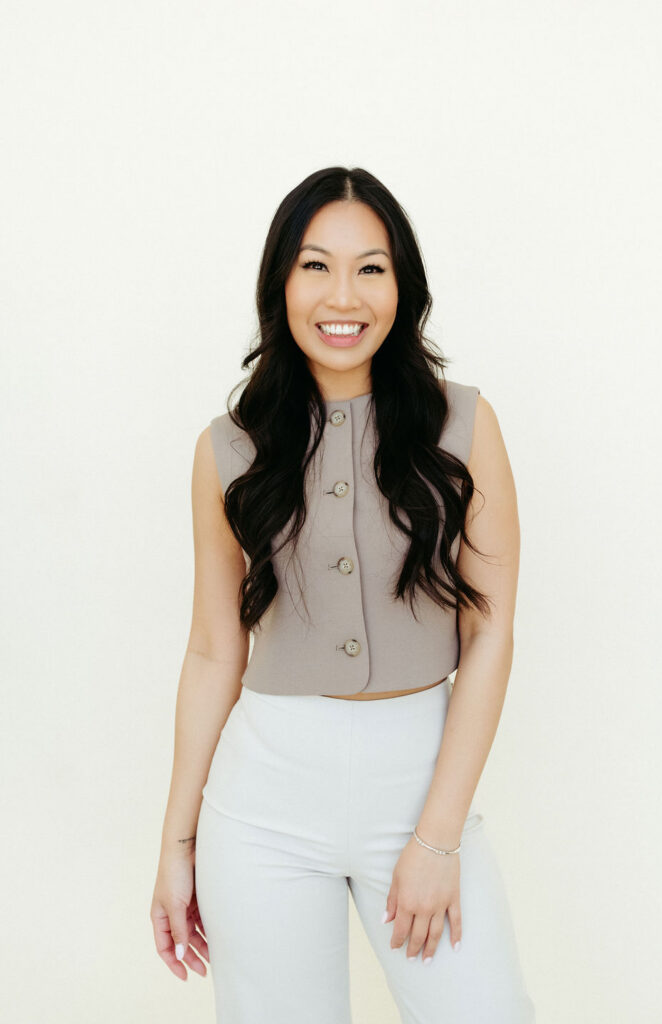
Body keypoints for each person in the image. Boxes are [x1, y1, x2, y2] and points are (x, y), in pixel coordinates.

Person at [150, 166, 536, 1023]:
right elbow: (213, 650)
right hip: (262, 805)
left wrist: (437, 838)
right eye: (316, 266)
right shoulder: (228, 449)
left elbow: (490, 632)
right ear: (280, 284)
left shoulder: (463, 425)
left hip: (421, 785)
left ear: (403, 287)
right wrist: (177, 843)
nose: (343, 296)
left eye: (371, 268)